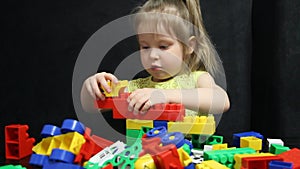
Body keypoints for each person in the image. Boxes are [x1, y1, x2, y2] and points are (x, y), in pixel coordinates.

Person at [81, 0, 230, 116]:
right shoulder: (137, 88)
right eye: (145, 47)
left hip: (188, 154)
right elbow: (91, 107)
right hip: (143, 154)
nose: (152, 55)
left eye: (163, 46)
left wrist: (164, 95)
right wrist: (91, 88)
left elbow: (222, 101)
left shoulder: (197, 80)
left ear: (189, 46)